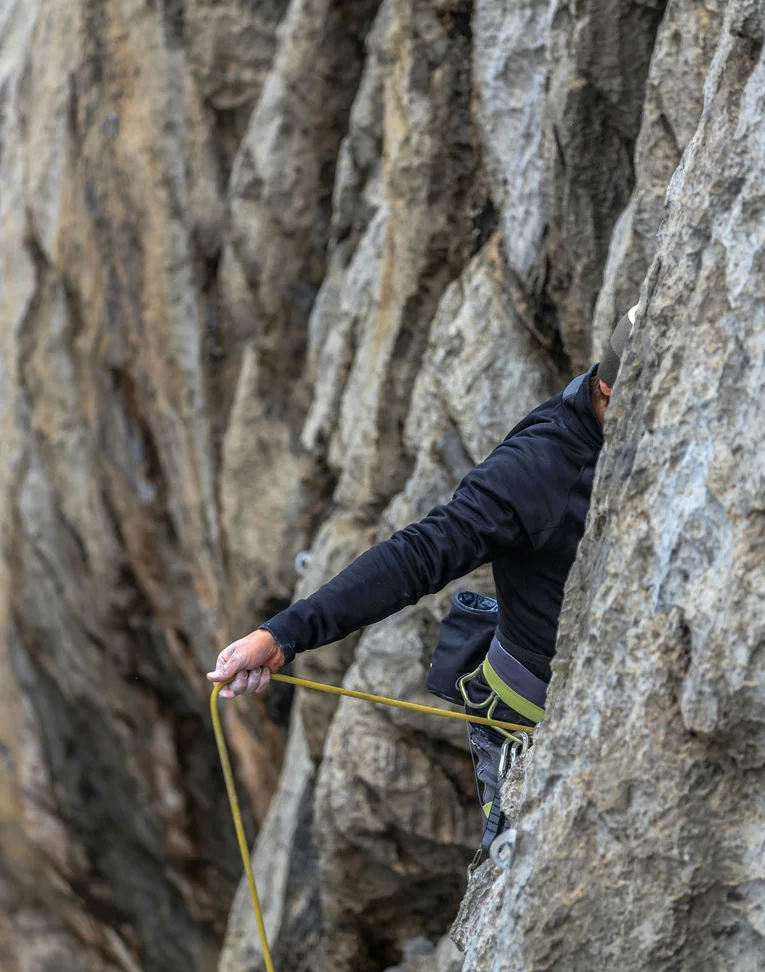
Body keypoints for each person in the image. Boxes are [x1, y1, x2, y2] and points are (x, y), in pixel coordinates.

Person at [208, 307, 638, 857]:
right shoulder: (540, 465)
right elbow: (418, 555)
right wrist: (282, 635)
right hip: (529, 720)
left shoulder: (620, 434)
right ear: (607, 390)